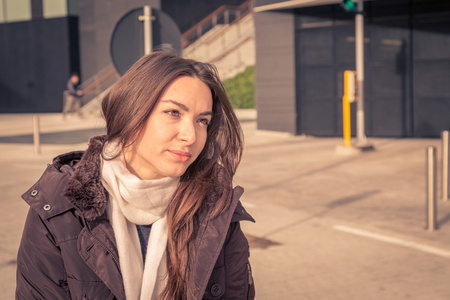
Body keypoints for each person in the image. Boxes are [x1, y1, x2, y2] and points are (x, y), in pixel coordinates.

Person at [16, 51, 255, 300]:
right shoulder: (60, 205)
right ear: (132, 110)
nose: (191, 136)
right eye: (174, 112)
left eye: (202, 120)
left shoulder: (216, 207)